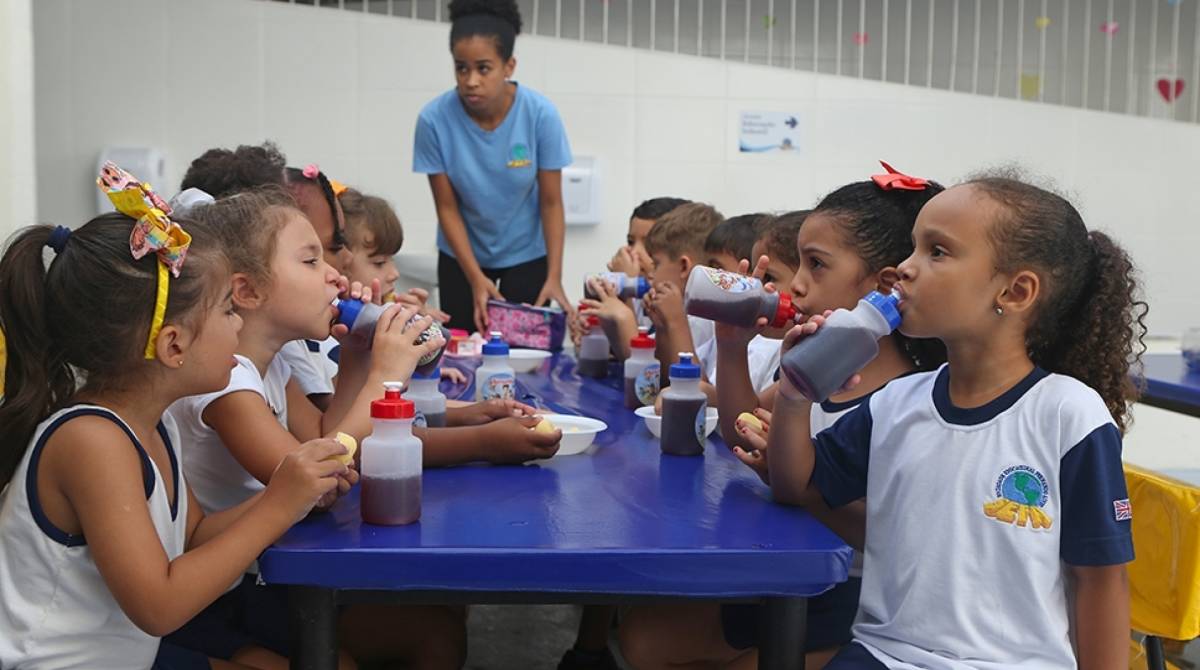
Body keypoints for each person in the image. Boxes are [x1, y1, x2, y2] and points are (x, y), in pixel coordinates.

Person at [769, 173, 1144, 668]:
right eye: (913, 248)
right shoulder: (895, 403)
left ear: (1015, 292)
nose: (905, 267)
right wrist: (795, 395)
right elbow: (798, 484)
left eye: (937, 252)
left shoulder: (1068, 415)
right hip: (884, 656)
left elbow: (1100, 579)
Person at [0, 166, 345, 669]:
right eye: (227, 311)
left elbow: (194, 538)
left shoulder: (152, 424)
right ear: (174, 345)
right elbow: (159, 608)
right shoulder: (91, 441)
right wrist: (278, 505)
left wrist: (296, 489)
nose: (238, 326)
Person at [414, 0, 574, 333]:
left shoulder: (540, 115)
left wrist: (554, 275)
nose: (471, 80)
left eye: (483, 68)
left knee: (523, 348)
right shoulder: (433, 120)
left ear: (509, 66)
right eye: (461, 68)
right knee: (461, 347)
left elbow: (551, 202)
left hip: (526, 254)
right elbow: (447, 208)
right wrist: (475, 278)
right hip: (461, 257)